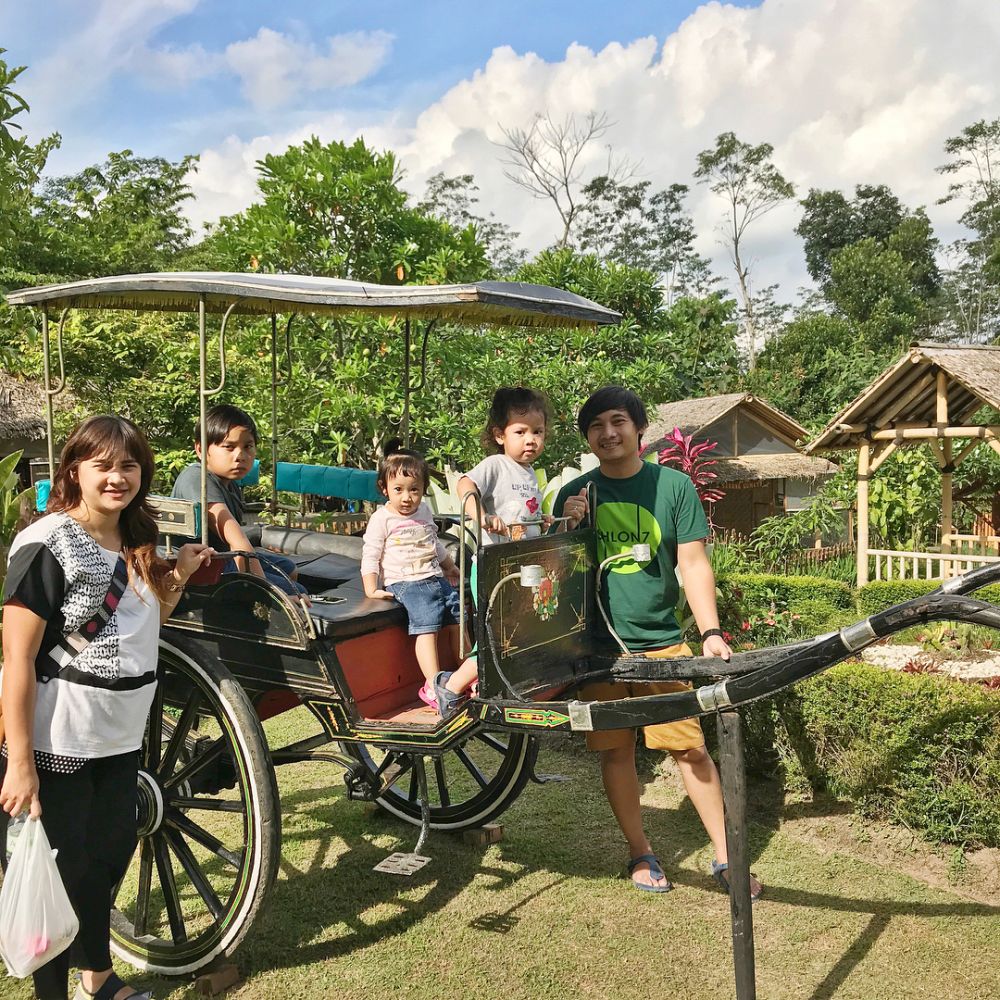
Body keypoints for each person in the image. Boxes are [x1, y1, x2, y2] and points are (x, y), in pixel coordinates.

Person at [0, 415, 212, 1000]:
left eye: (128, 465)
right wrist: (20, 764)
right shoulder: (46, 543)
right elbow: (17, 657)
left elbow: (144, 626)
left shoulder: (138, 541)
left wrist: (181, 576)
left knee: (106, 859)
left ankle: (99, 979)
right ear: (75, 471)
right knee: (59, 874)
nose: (116, 477)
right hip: (57, 738)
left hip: (120, 736)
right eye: (102, 465)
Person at [555, 386, 762, 898]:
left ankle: (726, 855)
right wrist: (568, 528)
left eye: (618, 421)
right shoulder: (577, 494)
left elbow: (692, 563)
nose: (609, 433)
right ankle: (639, 851)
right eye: (597, 425)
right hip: (598, 651)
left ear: (640, 428)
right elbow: (557, 577)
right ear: (587, 437)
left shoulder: (673, 488)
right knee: (616, 752)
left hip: (662, 645)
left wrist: (711, 632)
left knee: (689, 749)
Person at [433, 388, 554, 715]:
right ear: (500, 435)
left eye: (538, 432)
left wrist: (541, 521)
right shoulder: (497, 465)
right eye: (521, 432)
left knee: (520, 633)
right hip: (493, 568)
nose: (531, 440)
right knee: (497, 637)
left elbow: (523, 517)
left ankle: (484, 682)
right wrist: (483, 517)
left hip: (521, 567)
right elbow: (464, 485)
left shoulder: (529, 475)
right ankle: (450, 687)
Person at [361, 445, 465, 710]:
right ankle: (433, 685)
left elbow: (433, 543)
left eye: (414, 490)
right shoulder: (381, 519)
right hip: (405, 582)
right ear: (385, 489)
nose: (407, 497)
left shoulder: (424, 512)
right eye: (398, 490)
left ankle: (465, 674)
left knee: (458, 617)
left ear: (422, 489)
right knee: (427, 625)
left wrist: (449, 566)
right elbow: (371, 555)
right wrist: (371, 588)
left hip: (433, 576)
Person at [171, 404, 307, 598]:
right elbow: (237, 541)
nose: (240, 456)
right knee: (297, 591)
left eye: (247, 447)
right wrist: (269, 596)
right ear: (201, 450)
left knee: (290, 569)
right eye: (229, 447)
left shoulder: (231, 484)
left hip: (222, 556)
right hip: (201, 563)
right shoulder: (197, 479)